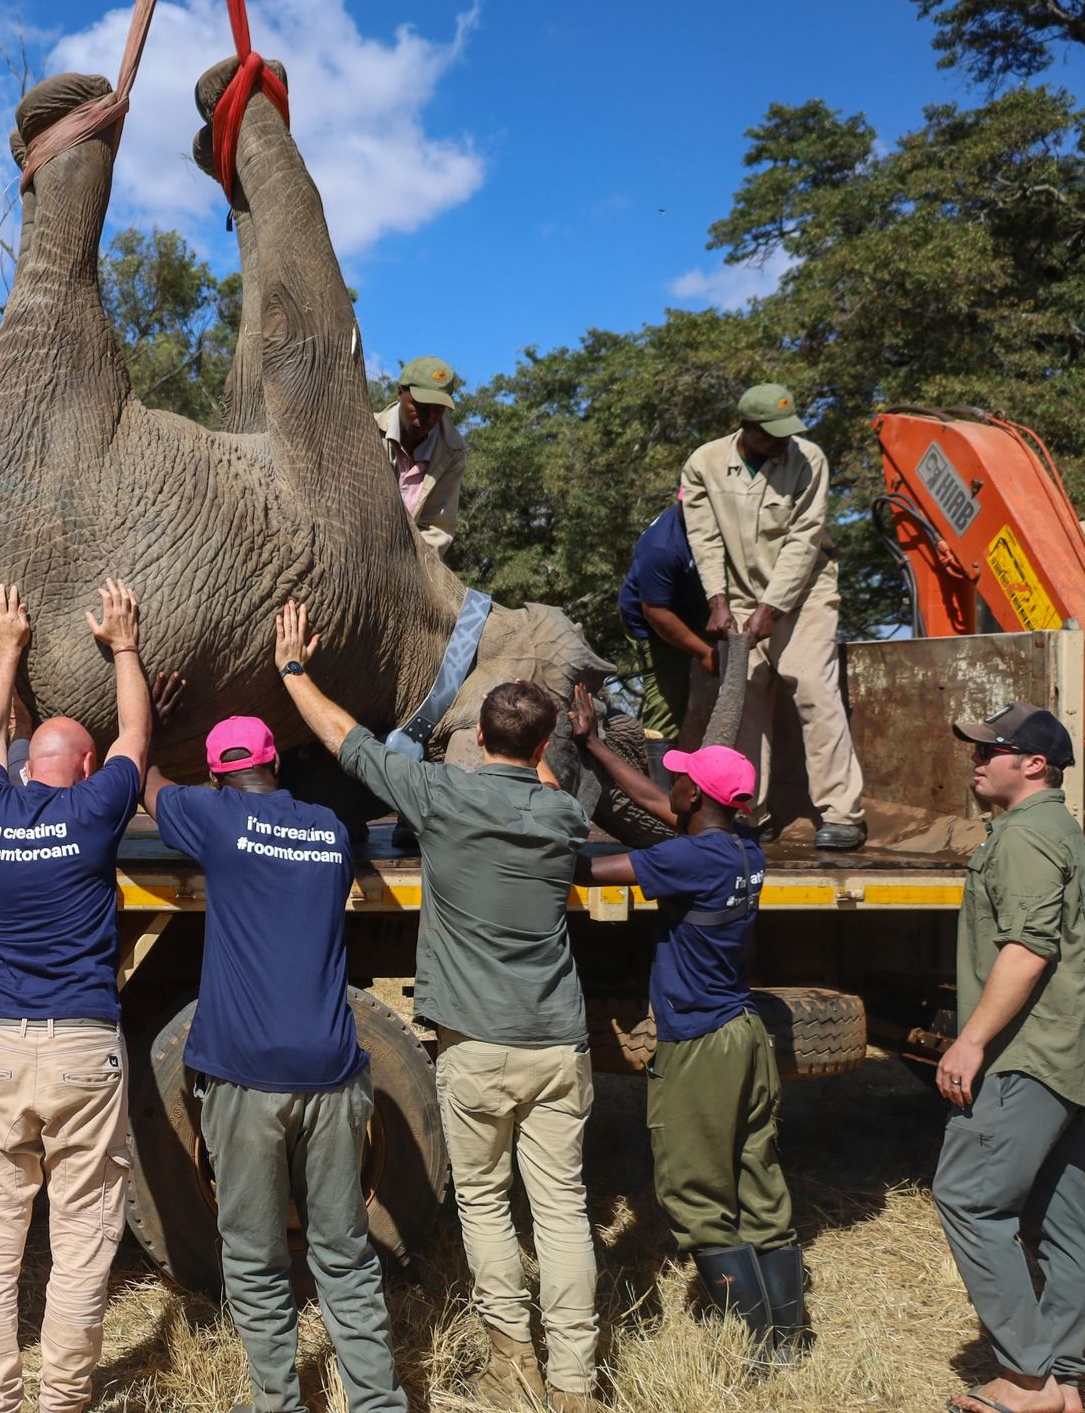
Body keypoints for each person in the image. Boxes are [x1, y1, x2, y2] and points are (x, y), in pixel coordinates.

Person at [273, 601, 606, 1413]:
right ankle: (573, 1383)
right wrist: (543, 746)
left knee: (487, 1206)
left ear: (479, 741)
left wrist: (292, 669)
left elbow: (344, 741)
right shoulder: (565, 818)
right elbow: (545, 780)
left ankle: (510, 1366)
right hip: (558, 1042)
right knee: (563, 1209)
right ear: (539, 748)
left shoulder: (442, 800)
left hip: (475, 1047)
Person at [142, 713, 405, 1413]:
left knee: (257, 1265)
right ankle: (379, 1403)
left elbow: (145, 781)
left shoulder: (214, 818)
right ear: (273, 768)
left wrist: (153, 724)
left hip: (246, 1079)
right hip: (333, 1071)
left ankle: (279, 1405)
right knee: (344, 1255)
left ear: (218, 776)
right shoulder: (327, 830)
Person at [0, 579, 152, 1413]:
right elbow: (137, 736)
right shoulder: (96, 808)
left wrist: (8, 648)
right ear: (81, 769)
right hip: (82, 1047)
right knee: (81, 1240)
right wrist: (124, 646)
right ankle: (63, 1400)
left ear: (21, 769)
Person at [566, 686, 804, 1361]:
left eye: (681, 779)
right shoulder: (740, 848)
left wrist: (533, 830)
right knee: (757, 1177)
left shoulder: (689, 861)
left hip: (699, 1042)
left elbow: (591, 868)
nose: (670, 781)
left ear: (697, 800)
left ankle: (754, 1344)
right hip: (744, 1033)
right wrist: (595, 746)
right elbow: (652, 801)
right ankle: (787, 1334)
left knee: (694, 1189)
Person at [934, 705, 1085, 1413]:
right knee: (1063, 1217)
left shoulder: (1025, 838)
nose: (977, 761)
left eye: (992, 750)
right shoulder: (1059, 830)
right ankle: (1062, 1378)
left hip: (1028, 1056)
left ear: (1034, 762)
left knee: (968, 1198)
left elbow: (1029, 948)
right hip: (1072, 1057)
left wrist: (971, 1039)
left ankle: (1028, 1378)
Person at [680, 383, 867, 851]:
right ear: (747, 428)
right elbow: (704, 538)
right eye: (772, 434)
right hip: (739, 594)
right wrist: (717, 600)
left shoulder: (809, 460)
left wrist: (772, 607)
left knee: (813, 688)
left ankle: (843, 813)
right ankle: (749, 812)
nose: (784, 442)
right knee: (744, 697)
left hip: (805, 593)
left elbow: (805, 540)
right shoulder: (703, 463)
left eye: (788, 432)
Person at [617, 498, 717, 742]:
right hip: (654, 623)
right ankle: (655, 776)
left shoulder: (723, 521)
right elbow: (656, 613)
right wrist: (705, 653)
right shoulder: (661, 548)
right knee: (666, 707)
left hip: (698, 608)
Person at [373, 355, 468, 558]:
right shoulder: (366, 430)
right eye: (420, 407)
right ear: (400, 393)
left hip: (409, 566)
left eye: (437, 410)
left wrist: (404, 568)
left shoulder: (453, 451)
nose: (428, 418)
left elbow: (438, 529)